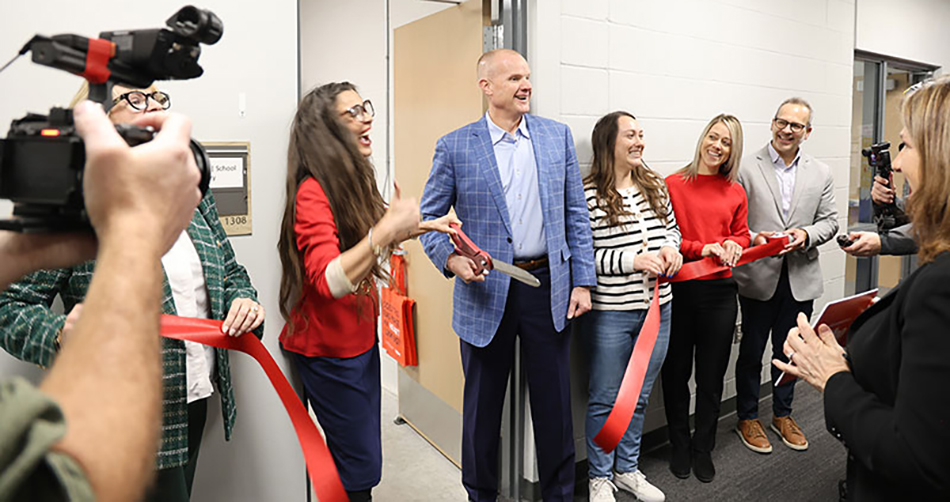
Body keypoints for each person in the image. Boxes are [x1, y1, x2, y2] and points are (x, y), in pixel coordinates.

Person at [0, 84, 265, 502]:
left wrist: (242, 299)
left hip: (196, 398)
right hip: (129, 417)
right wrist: (60, 336)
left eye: (159, 100)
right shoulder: (78, 202)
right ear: (99, 120)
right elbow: (8, 307)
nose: (153, 109)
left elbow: (229, 269)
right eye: (136, 99)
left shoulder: (188, 188)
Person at [418, 49, 596, 501]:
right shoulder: (455, 145)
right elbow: (429, 219)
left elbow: (576, 214)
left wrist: (581, 281)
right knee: (482, 410)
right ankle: (480, 494)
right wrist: (450, 260)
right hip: (484, 292)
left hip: (548, 290)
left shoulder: (557, 138)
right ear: (487, 87)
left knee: (554, 407)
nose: (526, 85)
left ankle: (558, 494)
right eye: (515, 77)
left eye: (528, 77)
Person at [278, 82, 456, 502]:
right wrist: (385, 231)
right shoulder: (312, 191)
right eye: (353, 112)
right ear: (326, 131)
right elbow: (329, 280)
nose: (367, 117)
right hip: (328, 351)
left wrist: (429, 225)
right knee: (357, 469)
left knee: (361, 462)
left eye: (365, 107)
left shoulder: (350, 181)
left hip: (356, 342)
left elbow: (373, 232)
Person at [774, 75, 950, 501]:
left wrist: (834, 377)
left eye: (906, 146)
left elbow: (918, 459)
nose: (900, 162)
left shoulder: (938, 289)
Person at [581, 112, 681, 502]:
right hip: (612, 313)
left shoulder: (654, 185)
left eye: (642, 135)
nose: (639, 141)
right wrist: (633, 261)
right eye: (631, 135)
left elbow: (671, 228)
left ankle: (627, 470)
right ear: (609, 143)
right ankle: (599, 477)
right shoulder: (588, 193)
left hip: (659, 308)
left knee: (638, 396)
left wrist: (670, 249)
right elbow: (584, 255)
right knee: (606, 397)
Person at [732, 97, 838, 455]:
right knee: (751, 351)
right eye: (782, 121)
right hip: (757, 277)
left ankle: (783, 414)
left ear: (807, 132)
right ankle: (747, 416)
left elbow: (831, 221)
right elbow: (734, 224)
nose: (787, 129)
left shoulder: (820, 172)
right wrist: (754, 239)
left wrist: (806, 235)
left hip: (800, 276)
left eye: (796, 125)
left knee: (790, 350)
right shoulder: (746, 168)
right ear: (773, 123)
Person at [661, 114, 749, 483]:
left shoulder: (735, 191)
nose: (717, 145)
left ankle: (703, 447)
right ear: (702, 138)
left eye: (726, 142)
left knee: (711, 378)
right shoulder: (671, 184)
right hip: (679, 289)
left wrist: (733, 243)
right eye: (713, 137)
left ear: (732, 151)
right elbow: (665, 237)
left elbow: (743, 236)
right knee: (676, 372)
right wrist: (702, 246)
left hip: (719, 293)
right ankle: (679, 443)